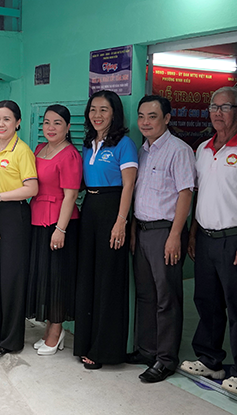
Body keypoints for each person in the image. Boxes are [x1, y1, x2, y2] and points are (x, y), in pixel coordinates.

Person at [181, 87, 237, 397]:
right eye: (213, 107)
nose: (217, 113)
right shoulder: (202, 149)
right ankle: (210, 360)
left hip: (236, 240)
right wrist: (193, 233)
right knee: (207, 301)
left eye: (225, 107)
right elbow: (199, 196)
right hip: (205, 238)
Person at [128, 95, 195, 383]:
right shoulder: (142, 151)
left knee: (167, 297)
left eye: (152, 116)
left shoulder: (179, 150)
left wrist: (175, 235)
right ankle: (147, 350)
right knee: (146, 295)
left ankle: (166, 359)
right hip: (142, 231)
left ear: (166, 119)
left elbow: (185, 193)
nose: (145, 122)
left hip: (165, 232)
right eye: (141, 116)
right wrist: (133, 229)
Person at [74, 90, 138, 369]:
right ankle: (85, 343)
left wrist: (121, 222)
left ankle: (105, 350)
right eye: (93, 110)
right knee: (88, 276)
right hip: (90, 208)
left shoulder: (124, 144)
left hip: (113, 210)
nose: (97, 115)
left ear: (115, 114)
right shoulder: (88, 144)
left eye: (104, 110)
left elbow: (129, 185)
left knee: (108, 279)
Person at [0, 100, 38, 355]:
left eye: (7, 119)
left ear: (18, 122)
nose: (1, 124)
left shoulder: (22, 151)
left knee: (12, 278)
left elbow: (32, 188)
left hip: (14, 215)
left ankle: (12, 340)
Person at [26, 104, 82, 356]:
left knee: (58, 277)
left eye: (57, 123)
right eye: (47, 122)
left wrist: (61, 229)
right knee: (45, 276)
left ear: (68, 127)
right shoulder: (39, 149)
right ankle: (49, 327)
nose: (50, 127)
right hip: (38, 217)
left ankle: (56, 331)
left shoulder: (70, 155)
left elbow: (71, 196)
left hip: (59, 221)